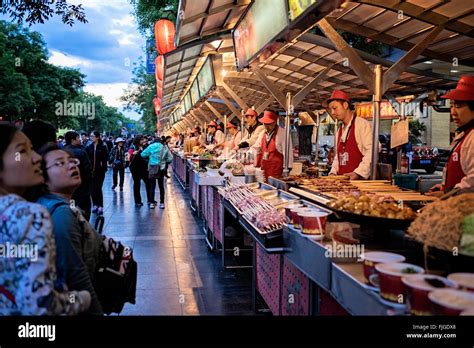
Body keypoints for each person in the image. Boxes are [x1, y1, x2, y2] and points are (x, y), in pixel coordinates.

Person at [0, 125, 91, 315]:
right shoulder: (30, 215)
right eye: (22, 152)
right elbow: (40, 304)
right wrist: (83, 299)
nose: (36, 158)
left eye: (31, 149)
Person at [32, 143, 104, 315]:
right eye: (60, 163)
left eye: (72, 161)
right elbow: (76, 275)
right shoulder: (61, 215)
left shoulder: (47, 205)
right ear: (43, 176)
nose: (72, 165)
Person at [428, 75, 474, 195]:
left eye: (458, 106)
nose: (453, 112)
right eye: (452, 106)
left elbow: (472, 182)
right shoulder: (465, 134)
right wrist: (444, 187)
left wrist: (447, 194)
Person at [327, 90, 373, 180]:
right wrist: (333, 171)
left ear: (345, 105)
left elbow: (372, 152)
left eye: (335, 108)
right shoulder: (339, 130)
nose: (332, 113)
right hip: (342, 184)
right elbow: (338, 157)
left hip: (359, 184)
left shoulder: (361, 125)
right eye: (331, 109)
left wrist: (358, 173)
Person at [254, 110, 294, 181]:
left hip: (277, 172)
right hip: (264, 171)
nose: (266, 126)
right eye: (264, 123)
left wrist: (287, 170)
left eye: (268, 123)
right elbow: (256, 147)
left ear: (275, 122)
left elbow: (288, 154)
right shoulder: (262, 133)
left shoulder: (283, 133)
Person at [64, 131, 93, 221]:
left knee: (71, 207)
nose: (80, 139)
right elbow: (88, 170)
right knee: (84, 209)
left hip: (67, 189)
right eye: (78, 138)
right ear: (73, 140)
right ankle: (83, 226)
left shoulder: (60, 152)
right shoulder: (81, 152)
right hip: (82, 188)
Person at [141, 137, 172, 209]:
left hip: (152, 169)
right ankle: (162, 203)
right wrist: (165, 161)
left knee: (152, 186)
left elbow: (143, 154)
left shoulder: (151, 146)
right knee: (161, 186)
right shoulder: (164, 147)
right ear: (161, 142)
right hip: (161, 169)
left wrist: (151, 157)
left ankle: (152, 203)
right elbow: (170, 158)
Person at [85, 131, 108, 215]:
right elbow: (86, 158)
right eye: (91, 136)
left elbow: (106, 157)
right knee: (92, 189)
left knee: (98, 188)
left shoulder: (102, 147)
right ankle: (95, 205)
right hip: (91, 172)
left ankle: (100, 205)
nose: (91, 138)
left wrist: (102, 163)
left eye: (93, 136)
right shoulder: (88, 147)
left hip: (100, 171)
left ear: (97, 137)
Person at [128, 135, 152, 207]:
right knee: (137, 184)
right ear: (138, 140)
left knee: (148, 182)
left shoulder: (145, 147)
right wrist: (132, 153)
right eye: (141, 140)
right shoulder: (133, 147)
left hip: (143, 168)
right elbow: (129, 155)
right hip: (135, 168)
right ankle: (137, 201)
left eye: (143, 140)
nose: (143, 141)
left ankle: (150, 200)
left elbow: (147, 156)